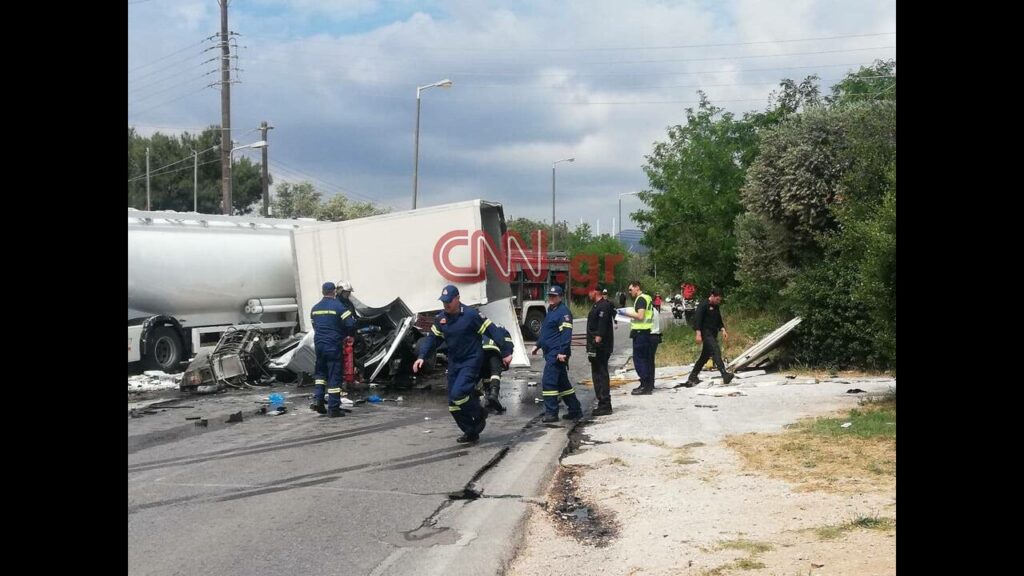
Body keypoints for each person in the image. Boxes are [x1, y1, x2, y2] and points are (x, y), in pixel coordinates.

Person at [414, 285, 513, 443]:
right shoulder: (441, 319)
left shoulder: (471, 315)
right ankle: (470, 431)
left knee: (458, 394)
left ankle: (479, 413)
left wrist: (506, 352)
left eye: (449, 301)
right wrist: (422, 356)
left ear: (457, 299)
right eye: (443, 301)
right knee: (453, 405)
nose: (446, 304)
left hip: (471, 360)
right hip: (454, 362)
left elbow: (492, 331)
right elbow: (432, 339)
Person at [532, 286, 583, 422]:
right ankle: (575, 410)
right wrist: (537, 345)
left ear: (560, 297)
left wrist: (562, 352)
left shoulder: (563, 313)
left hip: (557, 353)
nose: (551, 298)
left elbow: (566, 335)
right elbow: (546, 332)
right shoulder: (551, 310)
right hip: (550, 352)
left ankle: (551, 413)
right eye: (550, 295)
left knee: (548, 382)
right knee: (563, 384)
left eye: (554, 296)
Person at [310, 281, 356, 417]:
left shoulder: (315, 308)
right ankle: (333, 408)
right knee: (334, 376)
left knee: (320, 374)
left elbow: (315, 326)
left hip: (319, 345)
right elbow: (351, 324)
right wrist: (347, 335)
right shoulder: (339, 307)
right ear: (334, 292)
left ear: (323, 292)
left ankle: (319, 401)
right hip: (333, 346)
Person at [683, 288, 734, 386]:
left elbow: (719, 320)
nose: (718, 302)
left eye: (720, 300)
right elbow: (697, 320)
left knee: (704, 357)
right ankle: (725, 375)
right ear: (712, 296)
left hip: (713, 333)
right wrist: (698, 334)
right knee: (716, 351)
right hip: (705, 333)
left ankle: (693, 376)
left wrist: (723, 329)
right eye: (717, 299)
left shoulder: (716, 307)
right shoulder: (703, 305)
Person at [587, 288, 616, 416]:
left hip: (601, 346)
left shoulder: (604, 306)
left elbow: (602, 324)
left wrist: (598, 339)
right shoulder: (596, 306)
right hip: (594, 345)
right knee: (596, 373)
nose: (588, 294)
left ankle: (605, 403)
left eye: (589, 292)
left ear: (595, 292)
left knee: (601, 374)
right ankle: (601, 401)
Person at [624, 281, 655, 395]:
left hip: (640, 332)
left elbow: (640, 316)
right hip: (645, 332)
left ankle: (644, 386)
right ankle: (647, 385)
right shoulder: (647, 298)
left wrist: (626, 313)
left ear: (637, 288)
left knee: (639, 360)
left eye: (631, 289)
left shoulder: (641, 299)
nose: (629, 292)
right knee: (645, 360)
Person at [479, 323, 513, 413]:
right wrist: (507, 355)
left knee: (485, 374)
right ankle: (493, 394)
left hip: (480, 350)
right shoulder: (504, 331)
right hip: (493, 350)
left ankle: (487, 396)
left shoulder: (483, 328)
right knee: (495, 372)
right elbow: (508, 344)